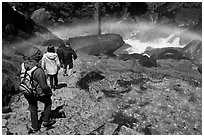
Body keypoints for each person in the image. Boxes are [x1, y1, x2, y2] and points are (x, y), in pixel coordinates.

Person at [20, 46, 56, 134]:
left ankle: (35, 127)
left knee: (33, 108)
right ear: (37, 57)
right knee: (48, 102)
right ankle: (46, 121)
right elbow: (44, 86)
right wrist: (49, 93)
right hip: (37, 93)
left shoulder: (23, 65)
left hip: (26, 90)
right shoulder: (38, 70)